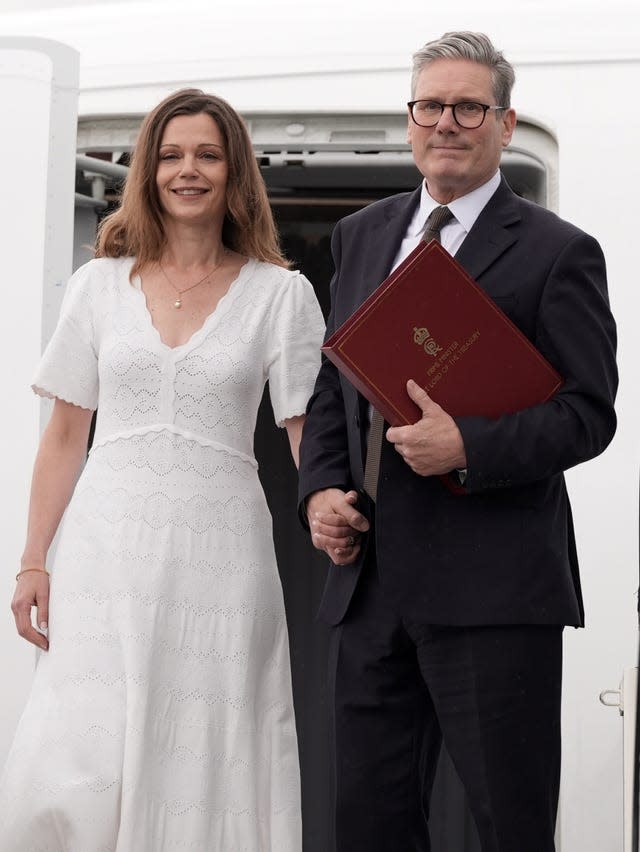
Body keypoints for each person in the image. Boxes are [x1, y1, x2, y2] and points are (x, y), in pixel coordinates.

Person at [298, 31, 617, 852]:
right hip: (369, 588)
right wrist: (320, 491)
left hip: (495, 592)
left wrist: (467, 447)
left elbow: (589, 414)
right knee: (368, 824)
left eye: (469, 106)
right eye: (431, 105)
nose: (448, 121)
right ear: (410, 121)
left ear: (506, 124)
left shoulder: (559, 252)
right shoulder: (362, 234)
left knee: (507, 825)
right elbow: (335, 383)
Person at [0, 88, 325, 851]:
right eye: (172, 155)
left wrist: (335, 523)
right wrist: (31, 563)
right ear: (147, 171)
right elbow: (64, 434)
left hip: (222, 560)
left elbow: (310, 436)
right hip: (103, 553)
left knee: (210, 742)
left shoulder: (283, 295)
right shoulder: (96, 287)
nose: (189, 170)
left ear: (235, 172)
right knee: (76, 751)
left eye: (208, 155)